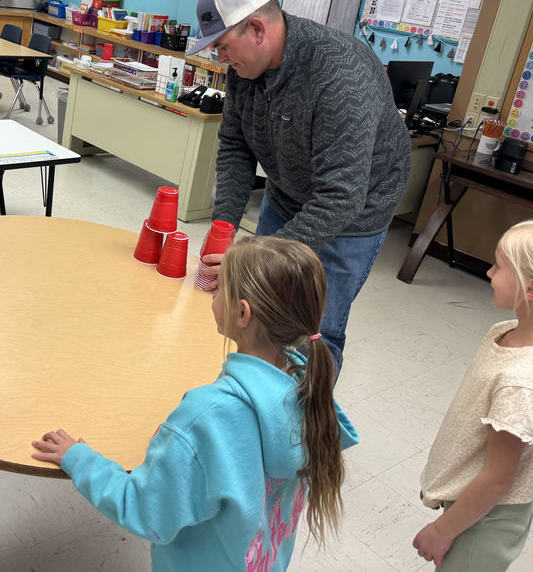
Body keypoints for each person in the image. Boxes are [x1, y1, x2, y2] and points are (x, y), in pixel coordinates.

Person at [32, 236, 359, 572]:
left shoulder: (205, 417)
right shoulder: (307, 386)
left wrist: (79, 459)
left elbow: (144, 510)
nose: (213, 291)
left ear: (242, 313)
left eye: (221, 287)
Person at [189, 0, 410, 374]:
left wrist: (255, 256)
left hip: (352, 217)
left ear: (257, 29)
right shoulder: (245, 69)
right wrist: (225, 225)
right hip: (288, 195)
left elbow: (341, 197)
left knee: (316, 332)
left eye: (223, 46)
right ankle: (259, 399)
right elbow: (236, 146)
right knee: (261, 313)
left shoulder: (340, 74)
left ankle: (304, 414)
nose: (220, 58)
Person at [413, 219, 533, 571]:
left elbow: (497, 478)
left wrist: (442, 530)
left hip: (485, 520)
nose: (489, 272)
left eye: (498, 266)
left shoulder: (524, 384)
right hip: (472, 502)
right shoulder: (507, 331)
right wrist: (446, 480)